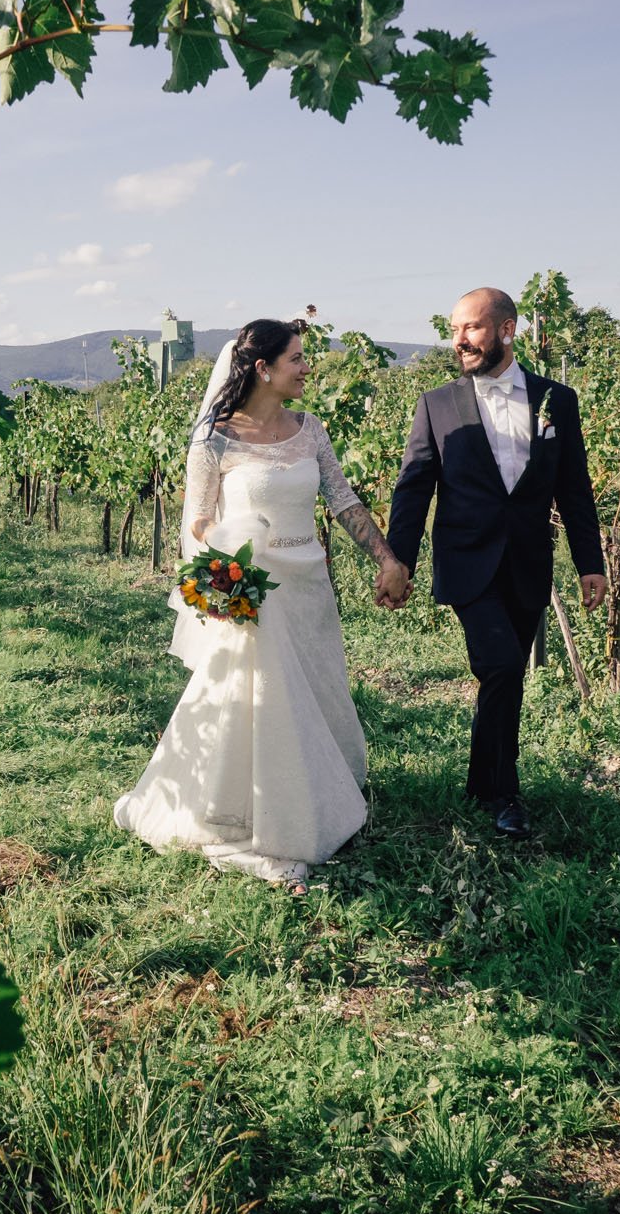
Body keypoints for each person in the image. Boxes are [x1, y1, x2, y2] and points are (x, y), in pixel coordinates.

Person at [113, 317, 410, 894]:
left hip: (308, 586)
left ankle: (320, 793)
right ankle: (263, 817)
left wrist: (386, 559)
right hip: (254, 597)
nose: (306, 367)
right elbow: (197, 526)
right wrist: (224, 585)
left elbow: (343, 501)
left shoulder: (311, 429)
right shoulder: (215, 439)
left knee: (318, 688)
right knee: (263, 703)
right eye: (296, 358)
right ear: (262, 368)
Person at [383, 287, 606, 839]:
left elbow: (574, 489)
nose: (459, 340)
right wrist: (399, 562)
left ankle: (481, 782)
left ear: (508, 330)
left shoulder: (558, 400)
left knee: (501, 678)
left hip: (529, 562)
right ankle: (505, 796)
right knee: (504, 665)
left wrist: (590, 563)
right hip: (466, 561)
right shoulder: (437, 404)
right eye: (455, 330)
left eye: (472, 329)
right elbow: (414, 490)